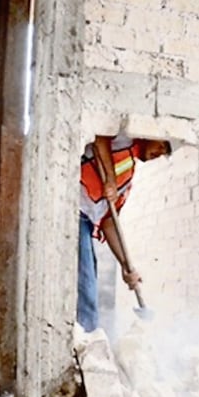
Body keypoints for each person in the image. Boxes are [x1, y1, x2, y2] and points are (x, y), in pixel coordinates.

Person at [77, 134, 171, 332]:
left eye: (166, 152)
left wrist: (126, 265)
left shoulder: (128, 178)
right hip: (75, 210)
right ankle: (86, 348)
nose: (160, 152)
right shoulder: (124, 141)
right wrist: (110, 180)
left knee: (89, 282)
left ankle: (86, 339)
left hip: (85, 222)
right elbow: (100, 138)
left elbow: (109, 223)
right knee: (86, 291)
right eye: (162, 144)